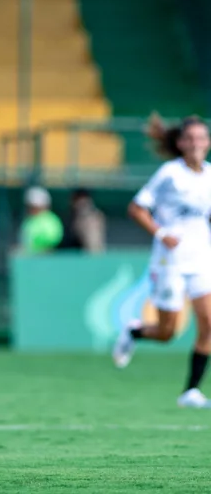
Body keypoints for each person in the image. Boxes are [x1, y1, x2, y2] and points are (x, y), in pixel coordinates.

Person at [112, 114, 211, 409]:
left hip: (201, 258)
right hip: (171, 260)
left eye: (201, 138)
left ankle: (190, 392)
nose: (196, 143)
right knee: (167, 332)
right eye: (190, 138)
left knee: (209, 325)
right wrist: (162, 232)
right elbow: (137, 208)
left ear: (207, 142)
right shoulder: (170, 173)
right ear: (181, 143)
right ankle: (135, 331)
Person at [57, 188, 106, 253]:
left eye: (84, 199)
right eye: (78, 199)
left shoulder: (93, 218)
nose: (81, 202)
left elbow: (94, 248)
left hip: (88, 259)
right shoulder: (68, 219)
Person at [19, 186, 63, 254]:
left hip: (46, 259)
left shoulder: (51, 220)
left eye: (35, 206)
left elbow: (52, 240)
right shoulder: (29, 221)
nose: (32, 209)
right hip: (30, 259)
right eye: (30, 206)